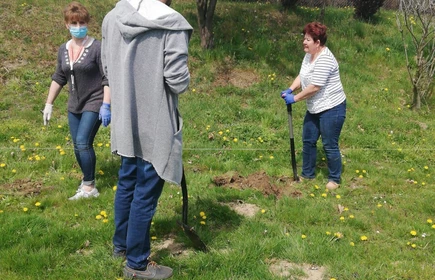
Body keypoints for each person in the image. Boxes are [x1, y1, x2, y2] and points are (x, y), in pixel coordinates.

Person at [101, 0, 193, 278]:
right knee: (145, 190)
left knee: (128, 181)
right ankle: (137, 263)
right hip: (154, 123)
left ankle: (121, 247)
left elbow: (106, 67)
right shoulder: (172, 23)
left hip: (126, 120)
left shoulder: (112, 18)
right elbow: (177, 80)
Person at [42, 2, 111, 200]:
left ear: (87, 23)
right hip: (74, 104)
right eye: (74, 23)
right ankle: (86, 182)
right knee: (77, 145)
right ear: (67, 25)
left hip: (95, 101)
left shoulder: (97, 48)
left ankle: (89, 187)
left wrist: (106, 105)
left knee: (83, 142)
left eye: (82, 22)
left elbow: (108, 77)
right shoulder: (63, 49)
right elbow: (59, 77)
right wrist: (49, 103)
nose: (78, 27)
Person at [280, 22, 346, 191]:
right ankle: (307, 174)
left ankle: (334, 179)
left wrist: (294, 98)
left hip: (332, 108)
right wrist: (290, 88)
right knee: (308, 140)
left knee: (329, 144)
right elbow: (303, 76)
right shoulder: (309, 55)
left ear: (317, 42)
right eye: (304, 38)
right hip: (315, 107)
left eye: (308, 39)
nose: (304, 42)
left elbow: (315, 87)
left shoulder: (325, 59)